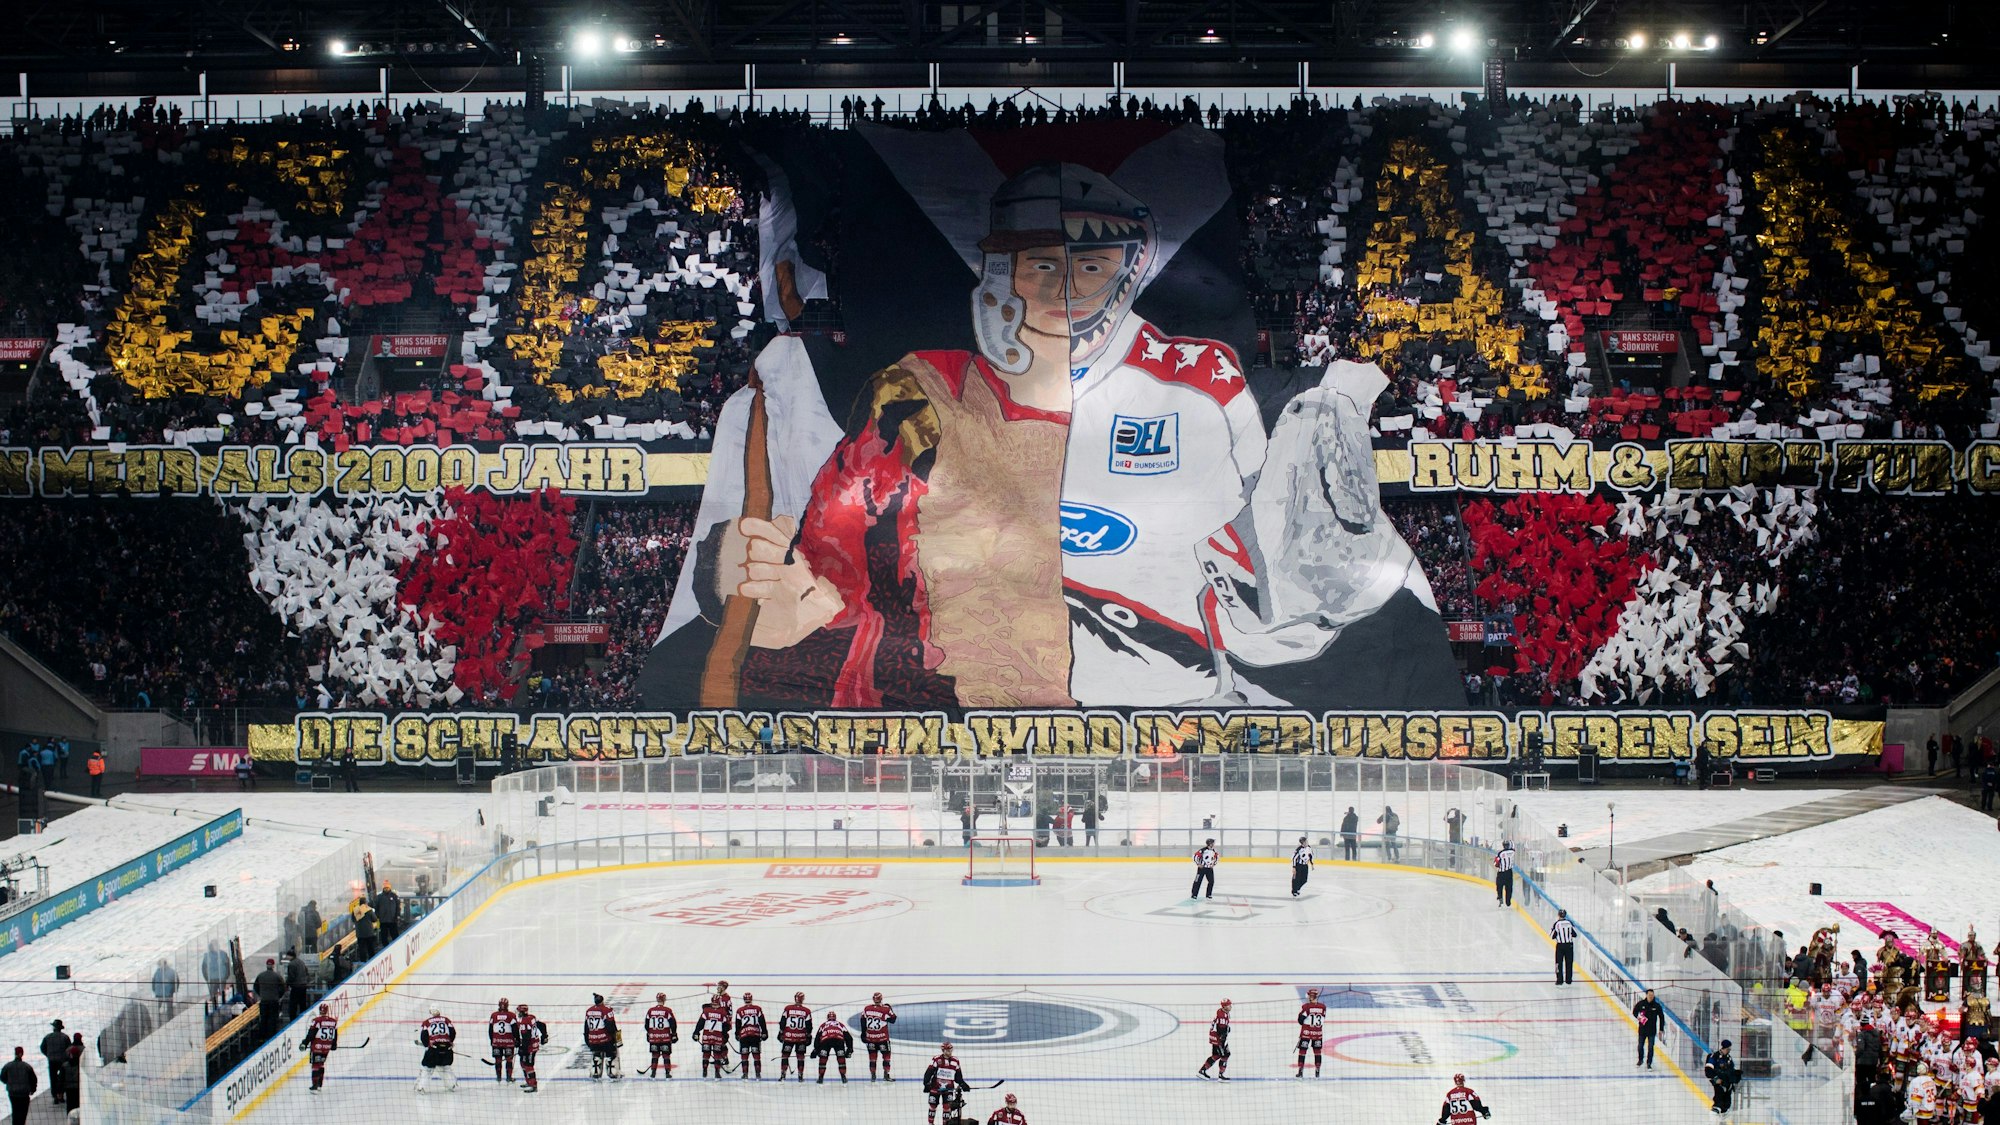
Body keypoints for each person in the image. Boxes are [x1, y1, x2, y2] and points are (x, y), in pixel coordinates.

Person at [923, 1042, 970, 1125]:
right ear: (943, 1050)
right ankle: (930, 1123)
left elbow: (958, 1077)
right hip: (935, 1088)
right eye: (947, 1050)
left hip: (949, 1089)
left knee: (947, 1108)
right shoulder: (936, 1059)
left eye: (951, 1050)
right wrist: (926, 1083)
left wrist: (963, 1084)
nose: (949, 1052)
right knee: (932, 1106)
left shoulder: (955, 1061)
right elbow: (929, 1072)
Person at [416, 1007, 458, 1094]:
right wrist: (450, 1043)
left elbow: (424, 1036)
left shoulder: (427, 1022)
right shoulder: (446, 1020)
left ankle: (421, 1087)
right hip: (447, 1049)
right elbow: (453, 1032)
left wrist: (427, 1046)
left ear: (431, 1011)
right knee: (445, 1067)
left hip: (433, 1049)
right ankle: (451, 1085)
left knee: (427, 1069)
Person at [299, 1003, 339, 1093]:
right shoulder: (333, 1021)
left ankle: (315, 1085)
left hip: (317, 1046)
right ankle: (320, 1085)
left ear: (319, 1010)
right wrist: (334, 1044)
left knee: (315, 1065)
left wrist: (305, 1043)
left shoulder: (317, 1021)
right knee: (321, 1064)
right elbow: (335, 1034)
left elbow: (311, 1034)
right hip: (326, 1047)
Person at [584, 992, 621, 1080]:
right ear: (602, 1001)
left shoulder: (589, 1011)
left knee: (596, 1054)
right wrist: (618, 1039)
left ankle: (595, 1070)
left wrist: (587, 1040)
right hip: (605, 1040)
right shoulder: (606, 1010)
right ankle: (612, 1070)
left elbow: (586, 1028)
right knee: (611, 1053)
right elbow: (611, 1027)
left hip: (593, 1040)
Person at [861, 991, 897, 1080]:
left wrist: (863, 1033)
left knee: (872, 1057)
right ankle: (886, 1075)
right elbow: (893, 1020)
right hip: (883, 1038)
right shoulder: (885, 1009)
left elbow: (862, 1020)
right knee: (886, 1057)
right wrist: (889, 1010)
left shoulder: (867, 1008)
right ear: (881, 998)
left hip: (870, 1038)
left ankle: (873, 1076)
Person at [643, 992, 679, 1078]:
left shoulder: (650, 1011)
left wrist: (649, 1033)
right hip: (665, 1037)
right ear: (664, 1000)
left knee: (655, 1054)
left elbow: (646, 1025)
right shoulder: (667, 1010)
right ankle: (667, 1073)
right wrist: (674, 1034)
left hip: (654, 1037)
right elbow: (673, 1023)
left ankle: (653, 1073)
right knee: (666, 1055)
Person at [778, 992, 812, 1081]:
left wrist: (781, 1033)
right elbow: (809, 1026)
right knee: (800, 1056)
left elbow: (782, 1022)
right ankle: (800, 1076)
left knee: (785, 1055)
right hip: (801, 1038)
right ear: (803, 999)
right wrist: (808, 1036)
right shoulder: (806, 1011)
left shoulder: (788, 1009)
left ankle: (783, 1075)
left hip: (789, 1037)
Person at [813, 1010, 854, 1083]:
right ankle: (843, 1077)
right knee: (841, 1059)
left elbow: (817, 1037)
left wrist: (816, 1049)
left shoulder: (824, 1025)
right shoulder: (840, 1024)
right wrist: (849, 1049)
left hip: (825, 1040)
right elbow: (849, 1037)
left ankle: (820, 1078)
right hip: (838, 1039)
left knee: (823, 1059)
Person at [1196, 999, 1232, 1080]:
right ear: (1224, 1006)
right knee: (1224, 1055)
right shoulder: (1222, 1016)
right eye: (1229, 1005)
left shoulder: (1222, 1012)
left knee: (1218, 1055)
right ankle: (1220, 1075)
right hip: (1218, 1039)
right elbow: (1221, 1031)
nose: (1230, 1006)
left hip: (1216, 1037)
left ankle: (1203, 1071)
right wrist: (1222, 1041)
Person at [694, 997, 729, 1079]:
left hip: (707, 1037)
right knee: (717, 1055)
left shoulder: (706, 1011)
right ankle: (717, 1073)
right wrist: (725, 1035)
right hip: (718, 1037)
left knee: (706, 1054)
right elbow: (726, 1026)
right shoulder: (722, 1012)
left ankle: (704, 1072)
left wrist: (696, 1032)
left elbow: (700, 1023)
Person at [735, 991, 767, 1078]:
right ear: (751, 999)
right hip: (755, 1035)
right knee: (756, 1055)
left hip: (744, 1035)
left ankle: (745, 1074)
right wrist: (764, 1032)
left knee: (744, 1055)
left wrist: (737, 1034)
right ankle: (758, 1074)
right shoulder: (758, 1009)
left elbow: (738, 1024)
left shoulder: (740, 1010)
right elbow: (762, 1022)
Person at [252, 957, 286, 1040]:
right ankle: (272, 1037)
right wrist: (279, 996)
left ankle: (262, 1037)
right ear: (273, 966)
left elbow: (255, 987)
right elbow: (283, 988)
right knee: (273, 1019)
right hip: (274, 1001)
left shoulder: (260, 975)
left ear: (266, 965)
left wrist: (261, 994)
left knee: (263, 1019)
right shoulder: (277, 976)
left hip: (264, 1001)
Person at [1295, 988, 1326, 1078]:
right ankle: (1317, 1072)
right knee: (1317, 1052)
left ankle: (1300, 1072)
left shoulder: (1306, 1007)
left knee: (1302, 1051)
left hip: (1306, 1033)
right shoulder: (1323, 1007)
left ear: (1311, 996)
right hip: (1318, 1033)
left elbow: (1300, 1020)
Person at [486, 997, 518, 1084]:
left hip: (496, 1042)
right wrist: (517, 1040)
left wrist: (492, 1040)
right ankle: (508, 1077)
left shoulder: (494, 1015)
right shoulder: (511, 1015)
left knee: (498, 1060)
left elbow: (490, 1029)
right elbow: (515, 1029)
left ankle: (498, 1077)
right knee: (509, 1060)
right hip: (509, 1042)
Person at [2, 1046, 36, 1125]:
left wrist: (9, 1083)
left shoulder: (8, 1066)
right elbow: (33, 1080)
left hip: (12, 1093)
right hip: (24, 1094)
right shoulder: (27, 1066)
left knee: (15, 1112)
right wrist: (33, 1090)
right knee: (23, 1113)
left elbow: (2, 1077)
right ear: (22, 1054)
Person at [1704, 1039, 1740, 1114]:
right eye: (1728, 1049)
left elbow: (1731, 1069)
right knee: (1719, 1094)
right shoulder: (1714, 1056)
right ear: (1724, 1048)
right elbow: (1708, 1070)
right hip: (1718, 1080)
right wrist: (1716, 1078)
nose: (1729, 1050)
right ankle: (1716, 1109)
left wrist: (1735, 1076)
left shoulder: (1728, 1058)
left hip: (1727, 1081)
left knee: (1727, 1100)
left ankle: (1724, 1110)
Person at [1633, 988, 1664, 1068]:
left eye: (1652, 995)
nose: (1651, 997)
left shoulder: (1657, 1006)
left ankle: (1649, 1063)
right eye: (1649, 995)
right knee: (1640, 1046)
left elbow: (1661, 1017)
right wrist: (1640, 1018)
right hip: (1642, 1030)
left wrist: (1661, 1029)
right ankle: (1640, 1060)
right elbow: (1634, 1012)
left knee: (1650, 1047)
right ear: (1646, 995)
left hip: (1652, 1031)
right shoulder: (1641, 1004)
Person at [35, 1023, 65, 1102]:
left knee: (53, 1078)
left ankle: (55, 1096)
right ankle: (61, 1095)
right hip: (62, 1061)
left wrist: (48, 1055)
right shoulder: (65, 1037)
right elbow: (68, 1048)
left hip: (51, 1061)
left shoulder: (47, 1037)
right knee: (62, 1079)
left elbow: (42, 1048)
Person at [1552, 909, 1578, 985]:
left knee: (1558, 963)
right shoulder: (1570, 923)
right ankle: (1568, 980)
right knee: (1569, 963)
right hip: (1569, 945)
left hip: (1560, 946)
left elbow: (1552, 936)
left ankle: (1559, 980)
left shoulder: (1557, 924)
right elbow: (1575, 934)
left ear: (1558, 915)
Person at [201, 943, 230, 1010]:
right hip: (213, 978)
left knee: (221, 993)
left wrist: (226, 975)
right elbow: (204, 967)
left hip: (219, 978)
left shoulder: (222, 954)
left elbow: (227, 965)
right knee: (215, 995)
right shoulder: (207, 956)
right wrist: (206, 977)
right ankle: (216, 1007)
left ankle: (221, 1006)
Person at [284, 949, 309, 1018]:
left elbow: (291, 977)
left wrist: (287, 984)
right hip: (303, 986)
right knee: (302, 1004)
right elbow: (307, 972)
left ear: (290, 956)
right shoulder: (301, 962)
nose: (287, 958)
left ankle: (292, 1020)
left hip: (296, 987)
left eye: (287, 956)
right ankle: (303, 1018)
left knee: (293, 1005)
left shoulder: (291, 964)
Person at [1494, 841, 1515, 907]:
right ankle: (1508, 902)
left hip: (1501, 873)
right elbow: (1513, 846)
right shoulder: (1512, 852)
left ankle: (1500, 897)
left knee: (1499, 886)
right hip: (1509, 872)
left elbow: (1496, 863)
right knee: (1509, 887)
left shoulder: (1500, 853)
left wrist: (1496, 864)